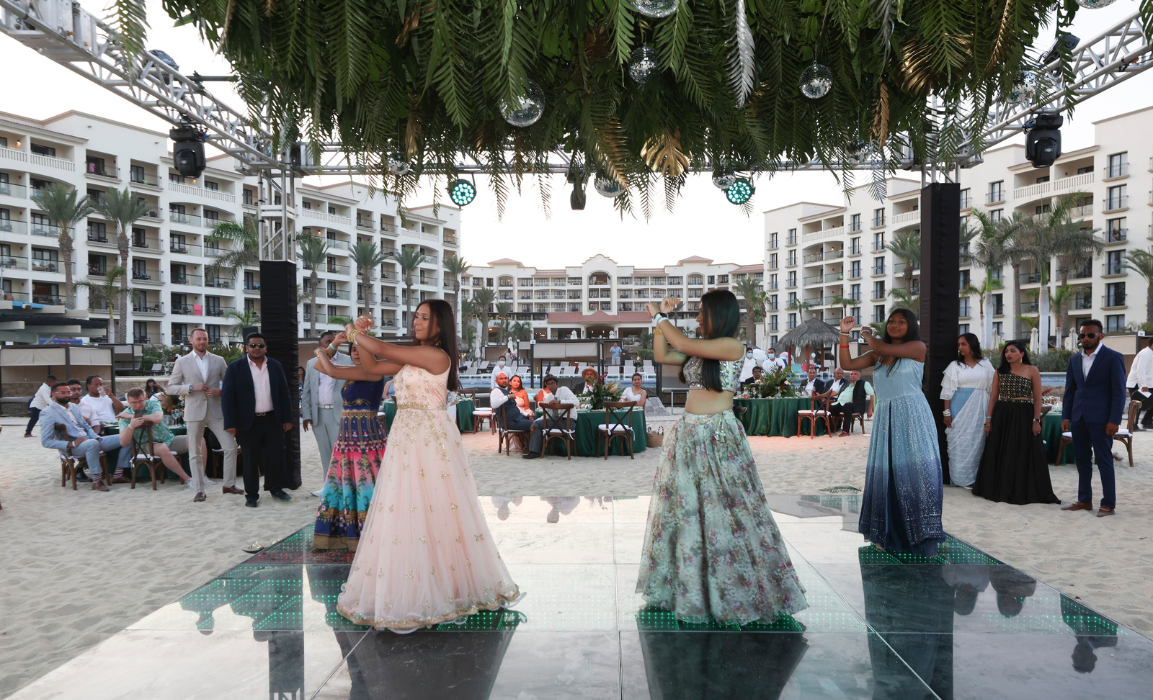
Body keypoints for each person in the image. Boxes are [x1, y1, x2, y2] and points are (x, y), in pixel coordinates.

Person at [335, 301, 521, 631]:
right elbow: (371, 366)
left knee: (436, 508)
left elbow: (379, 348)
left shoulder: (437, 356)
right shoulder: (412, 356)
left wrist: (354, 331)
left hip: (428, 437)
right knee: (406, 509)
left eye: (424, 318)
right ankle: (413, 583)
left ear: (440, 326)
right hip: (405, 437)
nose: (416, 322)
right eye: (416, 316)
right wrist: (357, 338)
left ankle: (446, 586)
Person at [638, 291, 808, 624]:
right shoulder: (698, 353)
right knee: (689, 511)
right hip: (689, 434)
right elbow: (662, 354)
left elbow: (683, 343)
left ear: (720, 314)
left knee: (730, 509)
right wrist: (657, 322)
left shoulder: (732, 346)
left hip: (717, 434)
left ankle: (735, 588)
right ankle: (695, 587)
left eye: (702, 313)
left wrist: (659, 315)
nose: (698, 319)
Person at [838, 310, 944, 556]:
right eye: (892, 321)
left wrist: (866, 334)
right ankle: (888, 534)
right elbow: (847, 365)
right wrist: (844, 333)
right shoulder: (878, 354)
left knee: (917, 474)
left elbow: (878, 345)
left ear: (911, 326)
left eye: (902, 321)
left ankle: (921, 537)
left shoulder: (917, 347)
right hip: (886, 418)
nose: (895, 325)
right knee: (889, 475)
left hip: (913, 416)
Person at [308, 342, 387, 551]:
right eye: (354, 350)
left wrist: (322, 350)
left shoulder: (373, 373)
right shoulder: (353, 372)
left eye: (363, 350)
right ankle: (343, 533)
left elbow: (329, 368)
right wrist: (333, 345)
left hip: (365, 438)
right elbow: (319, 367)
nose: (357, 354)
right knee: (344, 482)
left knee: (365, 482)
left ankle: (369, 533)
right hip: (347, 438)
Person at [971, 340, 1061, 505]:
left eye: (1012, 350)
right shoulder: (1000, 372)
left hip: (1023, 414)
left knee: (1022, 450)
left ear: (1022, 353)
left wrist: (1036, 420)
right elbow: (993, 398)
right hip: (1003, 413)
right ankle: (1000, 488)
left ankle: (1021, 489)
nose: (1008, 354)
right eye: (1006, 351)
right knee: (1000, 450)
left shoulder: (1032, 370)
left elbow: (1037, 398)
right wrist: (989, 421)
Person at [1061, 319, 1127, 517]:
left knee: (1104, 460)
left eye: (1090, 335)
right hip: (1079, 417)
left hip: (1102, 419)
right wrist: (1066, 416)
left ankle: (1108, 504)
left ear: (1101, 336)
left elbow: (1119, 391)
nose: (1085, 338)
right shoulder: (1074, 359)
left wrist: (1114, 420)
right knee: (1081, 460)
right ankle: (1084, 500)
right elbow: (1070, 391)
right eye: (1082, 335)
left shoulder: (1113, 357)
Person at [222, 331, 295, 508]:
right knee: (249, 459)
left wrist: (287, 418)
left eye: (260, 345)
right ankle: (251, 495)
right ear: (246, 347)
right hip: (248, 422)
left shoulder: (276, 366)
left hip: (273, 420)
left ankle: (276, 488)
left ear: (265, 348)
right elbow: (227, 397)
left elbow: (284, 394)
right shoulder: (235, 368)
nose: (256, 348)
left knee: (276, 457)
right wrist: (230, 423)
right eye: (253, 345)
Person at [168, 328, 241, 502]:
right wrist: (191, 387)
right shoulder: (182, 362)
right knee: (195, 453)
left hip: (217, 411)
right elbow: (171, 387)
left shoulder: (218, 360)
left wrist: (220, 391)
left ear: (208, 341)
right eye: (199, 339)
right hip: (194, 412)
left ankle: (228, 484)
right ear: (191, 341)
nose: (202, 342)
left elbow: (232, 386)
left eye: (205, 339)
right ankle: (199, 490)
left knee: (231, 447)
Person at [39, 382, 132, 491]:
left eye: (68, 392)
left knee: (127, 437)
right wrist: (71, 443)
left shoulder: (73, 407)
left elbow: (86, 426)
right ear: (54, 395)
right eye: (62, 392)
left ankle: (118, 474)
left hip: (92, 440)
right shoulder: (47, 413)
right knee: (92, 444)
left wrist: (96, 438)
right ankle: (97, 481)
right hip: (73, 447)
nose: (67, 394)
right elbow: (46, 441)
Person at [302, 331, 356, 495]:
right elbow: (307, 392)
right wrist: (307, 415)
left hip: (339, 413)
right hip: (318, 415)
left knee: (340, 453)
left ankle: (344, 488)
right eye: (328, 342)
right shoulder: (312, 363)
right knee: (325, 453)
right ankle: (329, 488)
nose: (333, 344)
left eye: (335, 341)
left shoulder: (347, 360)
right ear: (321, 345)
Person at [941, 333, 996, 488]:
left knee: (977, 441)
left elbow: (993, 389)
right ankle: (959, 479)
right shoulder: (955, 365)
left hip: (980, 405)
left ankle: (975, 478)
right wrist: (946, 412)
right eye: (958, 345)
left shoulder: (986, 364)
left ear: (972, 345)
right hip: (959, 404)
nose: (960, 348)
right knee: (959, 442)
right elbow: (947, 390)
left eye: (963, 344)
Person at [117, 388, 193, 490]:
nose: (138, 405)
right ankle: (188, 479)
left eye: (140, 401)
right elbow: (123, 442)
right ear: (129, 402)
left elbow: (157, 418)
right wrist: (131, 426)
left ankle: (202, 477)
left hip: (168, 438)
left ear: (145, 399)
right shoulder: (124, 416)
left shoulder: (152, 404)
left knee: (197, 440)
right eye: (134, 403)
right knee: (162, 448)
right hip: (146, 445)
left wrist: (132, 416)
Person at [521, 374, 579, 460]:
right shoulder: (549, 397)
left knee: (537, 424)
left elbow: (576, 402)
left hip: (569, 422)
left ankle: (535, 451)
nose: (551, 385)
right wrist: (534, 422)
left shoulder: (564, 390)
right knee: (536, 424)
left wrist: (559, 402)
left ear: (557, 384)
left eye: (553, 383)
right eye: (548, 384)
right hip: (556, 422)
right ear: (546, 385)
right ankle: (534, 450)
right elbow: (547, 414)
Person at [830, 369, 874, 436]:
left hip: (856, 406)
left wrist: (870, 409)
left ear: (860, 375)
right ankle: (831, 428)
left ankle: (845, 431)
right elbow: (835, 393)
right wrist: (823, 395)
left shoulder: (864, 383)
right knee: (829, 407)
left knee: (848, 405)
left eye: (855, 374)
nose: (853, 375)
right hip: (840, 404)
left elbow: (872, 395)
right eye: (851, 374)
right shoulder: (845, 383)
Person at [1125, 334, 1153, 430]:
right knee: (1136, 405)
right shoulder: (1145, 353)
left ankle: (1147, 421)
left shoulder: (1151, 353)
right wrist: (1143, 385)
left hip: (1147, 383)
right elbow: (1140, 370)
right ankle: (1132, 425)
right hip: (1137, 383)